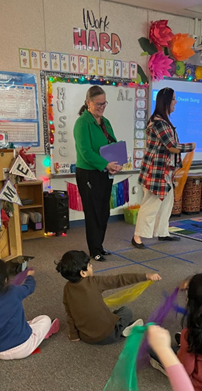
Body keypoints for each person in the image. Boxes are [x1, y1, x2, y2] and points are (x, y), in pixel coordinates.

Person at [132, 88, 195, 249]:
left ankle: (162, 232)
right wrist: (190, 146)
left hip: (163, 171)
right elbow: (171, 146)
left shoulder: (163, 121)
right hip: (156, 172)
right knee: (151, 204)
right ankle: (137, 236)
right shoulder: (159, 123)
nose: (176, 102)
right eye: (174, 99)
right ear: (166, 101)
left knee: (167, 201)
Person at [56, 250, 161, 344]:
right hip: (108, 335)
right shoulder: (94, 282)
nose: (92, 266)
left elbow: (69, 314)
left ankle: (119, 328)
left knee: (108, 313)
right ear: (83, 273)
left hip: (86, 337)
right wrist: (146, 276)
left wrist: (74, 335)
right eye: (89, 265)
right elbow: (119, 279)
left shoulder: (67, 289)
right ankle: (121, 329)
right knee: (125, 311)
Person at [73, 86, 122, 262]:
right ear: (88, 103)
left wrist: (118, 162)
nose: (102, 107)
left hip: (104, 172)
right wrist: (106, 164)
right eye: (98, 103)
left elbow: (113, 143)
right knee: (93, 213)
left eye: (104, 103)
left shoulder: (105, 122)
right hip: (88, 174)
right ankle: (94, 250)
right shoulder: (82, 123)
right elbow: (85, 152)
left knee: (103, 212)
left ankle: (99, 246)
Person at [0, 258, 58, 360]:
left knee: (20, 323)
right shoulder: (13, 292)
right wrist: (30, 276)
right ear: (5, 279)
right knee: (45, 319)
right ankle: (41, 335)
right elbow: (29, 287)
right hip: (23, 348)